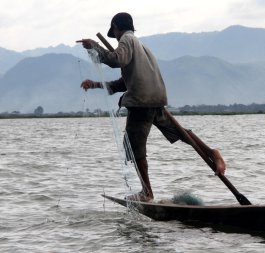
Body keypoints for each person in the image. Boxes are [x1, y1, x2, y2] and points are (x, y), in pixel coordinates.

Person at [77, 12, 226, 202]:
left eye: (114, 33)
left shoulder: (127, 40)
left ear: (116, 27)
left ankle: (146, 192)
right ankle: (212, 152)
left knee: (134, 144)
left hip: (141, 101)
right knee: (180, 132)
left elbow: (116, 60)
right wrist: (95, 84)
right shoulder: (141, 46)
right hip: (155, 98)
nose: (115, 38)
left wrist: (95, 46)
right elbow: (123, 83)